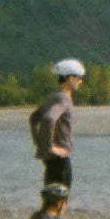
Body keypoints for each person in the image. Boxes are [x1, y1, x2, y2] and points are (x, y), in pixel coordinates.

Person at [28, 58, 85, 189]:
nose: (81, 81)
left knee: (50, 198)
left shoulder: (52, 96)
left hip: (50, 160)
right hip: (60, 159)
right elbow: (49, 118)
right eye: (79, 78)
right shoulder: (64, 98)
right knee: (60, 201)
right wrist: (50, 148)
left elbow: (33, 119)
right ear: (70, 78)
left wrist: (40, 144)